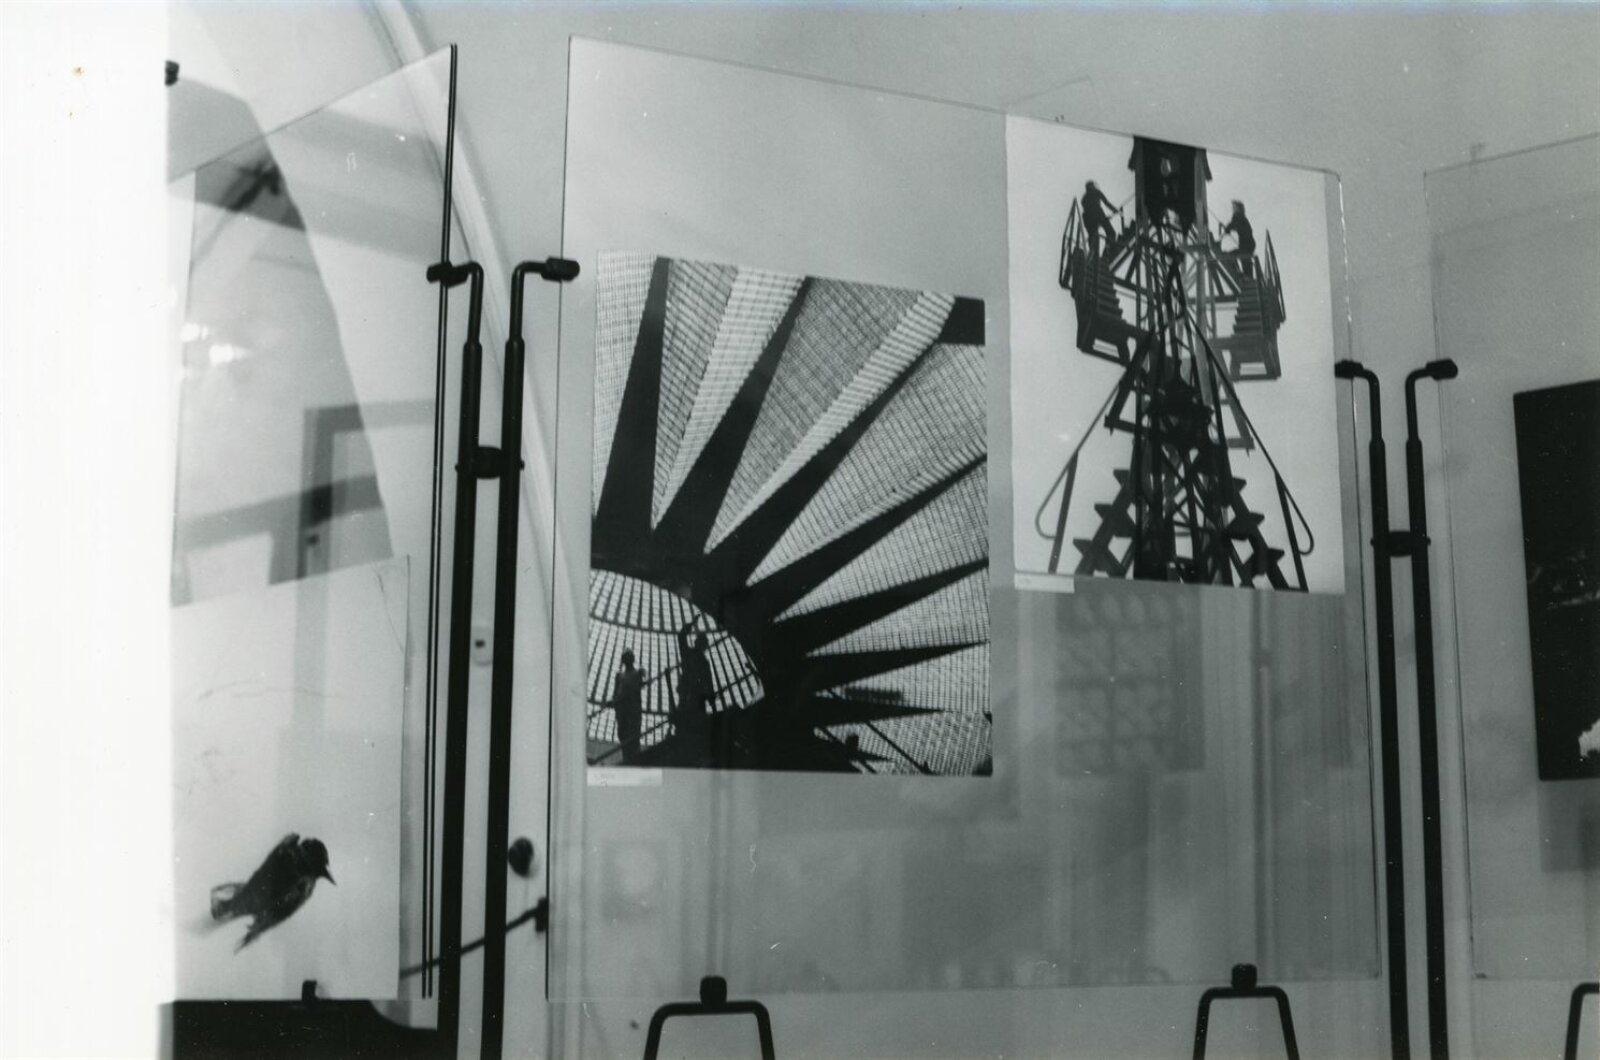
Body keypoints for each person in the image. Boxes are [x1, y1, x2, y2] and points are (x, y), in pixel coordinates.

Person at [675, 620, 714, 720]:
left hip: (693, 694)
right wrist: (711, 698)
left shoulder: (690, 655)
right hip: (691, 693)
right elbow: (681, 637)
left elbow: (708, 681)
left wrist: (711, 697)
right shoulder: (691, 655)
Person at [611, 649, 644, 764]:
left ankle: (633, 758)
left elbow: (638, 689)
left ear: (632, 659)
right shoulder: (619, 676)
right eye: (625, 658)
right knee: (623, 734)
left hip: (632, 710)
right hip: (622, 709)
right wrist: (614, 702)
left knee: (632, 735)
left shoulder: (638, 673)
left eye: (629, 657)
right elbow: (615, 692)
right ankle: (627, 758)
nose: (627, 660)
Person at [1080, 180, 1121, 261]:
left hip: (1087, 219)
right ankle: (1107, 250)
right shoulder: (1096, 192)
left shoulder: (1084, 198)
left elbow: (1087, 209)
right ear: (1092, 186)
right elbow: (1106, 202)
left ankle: (1093, 256)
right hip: (1098, 214)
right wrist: (1115, 210)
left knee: (1093, 237)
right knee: (1111, 233)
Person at [1221, 199, 1256, 277]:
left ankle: (1242, 274)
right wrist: (1229, 229)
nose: (1232, 209)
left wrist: (1228, 229)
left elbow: (1233, 224)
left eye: (1234, 207)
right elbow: (1237, 226)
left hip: (1246, 245)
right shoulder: (1242, 217)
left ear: (1239, 208)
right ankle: (1245, 275)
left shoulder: (1238, 216)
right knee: (1244, 260)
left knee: (1235, 257)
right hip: (1248, 245)